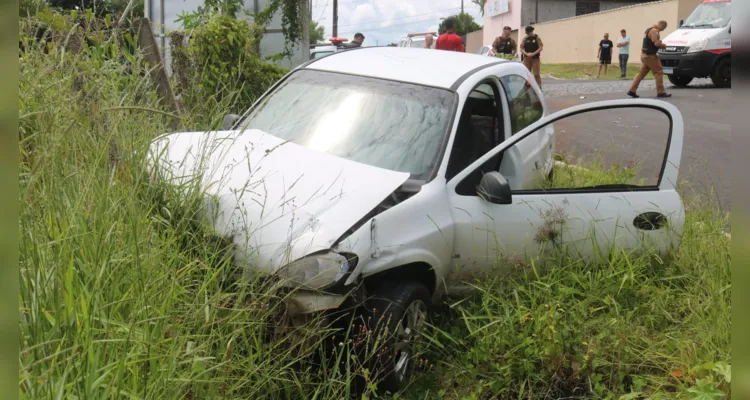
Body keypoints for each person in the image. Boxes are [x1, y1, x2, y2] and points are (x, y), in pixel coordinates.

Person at [627, 20, 671, 98]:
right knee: (659, 72)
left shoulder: (648, 30)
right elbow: (656, 43)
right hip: (650, 56)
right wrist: (663, 45)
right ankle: (661, 92)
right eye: (663, 28)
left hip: (644, 55)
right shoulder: (655, 31)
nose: (663, 30)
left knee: (641, 73)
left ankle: (632, 90)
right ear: (662, 25)